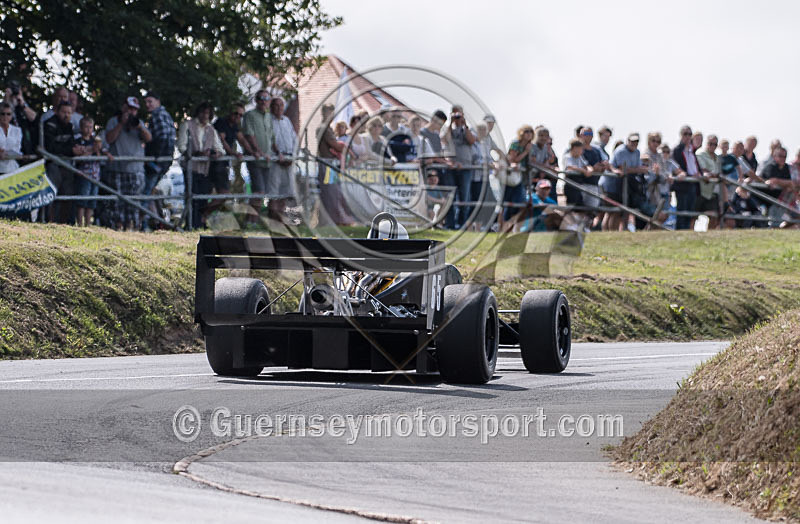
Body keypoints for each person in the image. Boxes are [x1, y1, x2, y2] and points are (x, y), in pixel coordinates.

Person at [105, 96, 152, 230]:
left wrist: (140, 127)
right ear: (124, 107)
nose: (131, 112)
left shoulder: (139, 123)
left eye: (134, 110)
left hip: (135, 170)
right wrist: (121, 124)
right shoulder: (113, 121)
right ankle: (117, 228)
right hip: (116, 169)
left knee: (134, 203)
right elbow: (109, 139)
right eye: (129, 109)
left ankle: (133, 228)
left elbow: (149, 138)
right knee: (116, 203)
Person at [177, 102, 225, 229]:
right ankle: (190, 224)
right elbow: (182, 146)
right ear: (198, 113)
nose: (205, 115)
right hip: (190, 167)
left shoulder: (211, 130)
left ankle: (200, 224)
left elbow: (220, 149)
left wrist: (215, 154)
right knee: (191, 197)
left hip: (204, 169)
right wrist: (196, 153)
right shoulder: (187, 125)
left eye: (207, 113)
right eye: (203, 112)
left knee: (203, 198)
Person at [315, 103, 352, 226]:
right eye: (328, 112)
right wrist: (345, 148)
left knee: (333, 192)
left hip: (330, 164)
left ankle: (331, 220)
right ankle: (330, 220)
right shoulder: (323, 128)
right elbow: (335, 145)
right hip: (325, 163)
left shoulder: (328, 128)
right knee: (329, 192)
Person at [43, 101, 80, 223]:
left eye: (69, 113)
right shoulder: (50, 125)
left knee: (67, 194)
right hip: (53, 164)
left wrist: (77, 149)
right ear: (57, 111)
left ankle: (64, 223)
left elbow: (71, 144)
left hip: (66, 165)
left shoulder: (69, 127)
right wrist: (70, 150)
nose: (66, 115)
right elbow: (50, 148)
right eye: (64, 112)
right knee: (52, 193)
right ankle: (50, 221)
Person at [440, 106, 475, 229]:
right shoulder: (447, 129)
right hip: (450, 168)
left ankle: (462, 225)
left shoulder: (468, 128)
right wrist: (450, 123)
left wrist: (464, 125)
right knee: (450, 197)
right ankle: (450, 224)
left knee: (464, 197)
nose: (457, 117)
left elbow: (472, 141)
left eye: (459, 114)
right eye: (455, 114)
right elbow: (444, 139)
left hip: (465, 167)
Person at [73, 116, 112, 226]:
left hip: (95, 175)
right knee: (82, 200)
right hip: (83, 175)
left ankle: (88, 224)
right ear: (81, 128)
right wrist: (91, 150)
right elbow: (79, 155)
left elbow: (102, 150)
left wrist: (106, 154)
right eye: (86, 127)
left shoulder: (95, 140)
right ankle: (80, 223)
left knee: (92, 201)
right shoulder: (78, 141)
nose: (89, 130)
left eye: (91, 127)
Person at [242, 89, 274, 225]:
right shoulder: (250, 115)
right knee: (259, 190)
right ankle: (251, 221)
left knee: (261, 192)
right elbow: (249, 134)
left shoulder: (269, 117)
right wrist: (258, 152)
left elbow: (272, 137)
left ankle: (252, 220)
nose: (263, 101)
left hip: (267, 160)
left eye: (266, 98)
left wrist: (276, 152)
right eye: (261, 98)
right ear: (256, 100)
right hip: (255, 159)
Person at [611, 133, 650, 231]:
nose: (634, 143)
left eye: (636, 141)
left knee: (626, 209)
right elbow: (623, 169)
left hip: (629, 185)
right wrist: (639, 169)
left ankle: (623, 230)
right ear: (627, 141)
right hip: (615, 186)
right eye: (632, 141)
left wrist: (637, 169)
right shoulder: (620, 151)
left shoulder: (637, 152)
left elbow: (633, 169)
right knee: (615, 212)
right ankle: (610, 232)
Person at [268, 96, 298, 223]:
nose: (279, 108)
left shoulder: (286, 120)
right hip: (275, 161)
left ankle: (284, 219)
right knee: (274, 192)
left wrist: (293, 156)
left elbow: (294, 139)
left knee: (288, 192)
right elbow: (268, 140)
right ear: (271, 107)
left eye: (281, 105)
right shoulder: (268, 121)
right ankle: (272, 220)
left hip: (289, 160)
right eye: (276, 105)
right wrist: (277, 156)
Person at [212, 103, 250, 200]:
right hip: (215, 162)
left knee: (224, 196)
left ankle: (203, 214)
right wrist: (234, 153)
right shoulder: (221, 122)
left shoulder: (234, 125)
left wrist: (253, 152)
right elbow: (222, 141)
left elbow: (242, 139)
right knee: (223, 194)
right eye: (236, 113)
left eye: (241, 115)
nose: (238, 116)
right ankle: (203, 214)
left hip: (223, 163)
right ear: (230, 112)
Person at [143, 92, 176, 198]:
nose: (147, 104)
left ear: (158, 101)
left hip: (158, 160)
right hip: (165, 158)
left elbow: (163, 137)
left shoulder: (157, 115)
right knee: (150, 189)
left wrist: (155, 157)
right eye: (146, 102)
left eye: (150, 101)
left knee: (146, 191)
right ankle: (151, 213)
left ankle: (142, 212)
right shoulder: (166, 115)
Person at [671, 126, 702, 230]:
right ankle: (680, 232)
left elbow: (695, 166)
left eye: (690, 134)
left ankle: (687, 232)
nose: (688, 136)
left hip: (693, 185)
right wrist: (689, 176)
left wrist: (700, 175)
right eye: (685, 134)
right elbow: (677, 169)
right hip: (682, 186)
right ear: (681, 135)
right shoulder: (677, 150)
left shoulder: (691, 151)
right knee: (682, 212)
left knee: (690, 212)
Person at [504, 125, 534, 228]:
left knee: (519, 202)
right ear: (521, 133)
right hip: (512, 177)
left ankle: (514, 226)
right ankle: (503, 224)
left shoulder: (531, 146)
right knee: (508, 202)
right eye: (526, 131)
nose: (529, 133)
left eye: (531, 131)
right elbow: (513, 160)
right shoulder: (515, 144)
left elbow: (531, 162)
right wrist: (526, 151)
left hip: (523, 178)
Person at [759, 146, 795, 226]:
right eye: (780, 156)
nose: (783, 158)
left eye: (785, 156)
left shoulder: (786, 167)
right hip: (766, 201)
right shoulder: (770, 166)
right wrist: (785, 183)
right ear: (774, 156)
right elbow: (772, 180)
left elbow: (790, 184)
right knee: (773, 223)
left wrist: (780, 182)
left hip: (779, 201)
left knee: (794, 217)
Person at [695, 134, 723, 229]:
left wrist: (715, 175)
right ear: (706, 143)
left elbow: (718, 173)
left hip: (712, 192)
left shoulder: (717, 158)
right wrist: (714, 175)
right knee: (693, 216)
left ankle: (708, 238)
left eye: (715, 144)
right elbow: (703, 170)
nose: (712, 146)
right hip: (700, 191)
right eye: (710, 143)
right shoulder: (700, 153)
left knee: (714, 216)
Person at [0, 102, 22, 174]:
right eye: (3, 114)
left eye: (8, 114)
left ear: (12, 115)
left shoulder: (17, 130)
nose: (5, 116)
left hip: (12, 168)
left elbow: (17, 149)